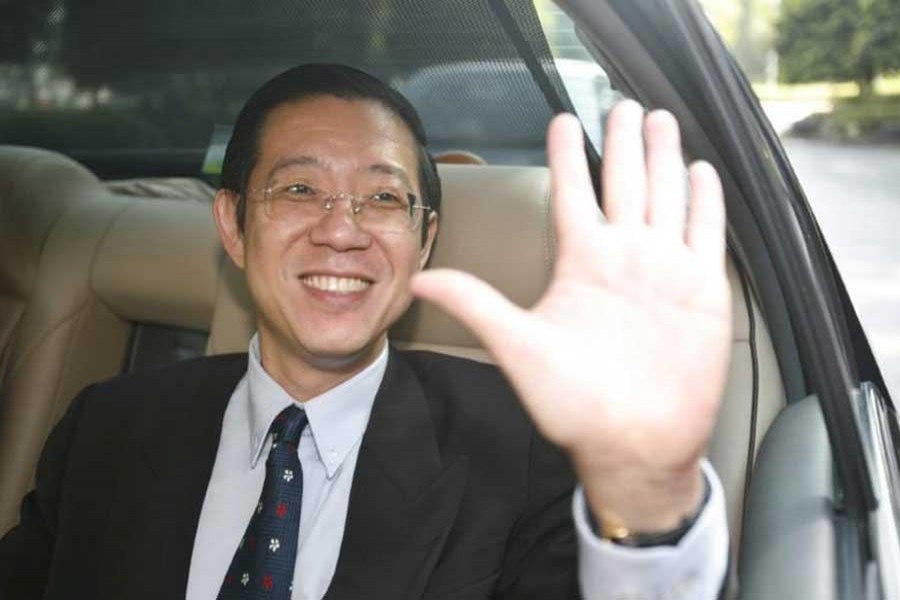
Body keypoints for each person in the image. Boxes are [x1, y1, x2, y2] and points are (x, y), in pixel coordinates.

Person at [0, 64, 731, 599]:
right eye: (299, 189)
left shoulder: (528, 444)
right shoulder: (107, 429)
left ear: (425, 237)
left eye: (383, 197)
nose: (341, 231)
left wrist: (647, 501)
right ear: (233, 224)